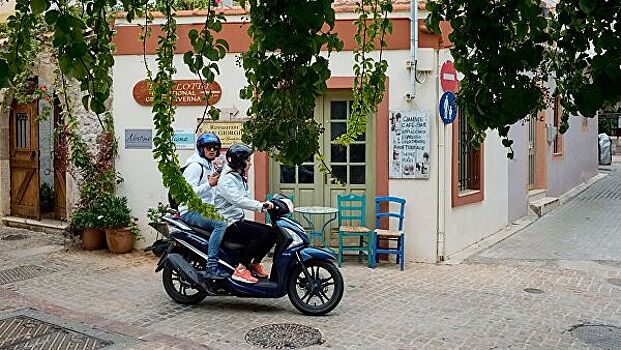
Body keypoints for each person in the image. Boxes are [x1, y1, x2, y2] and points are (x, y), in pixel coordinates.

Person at [214, 143, 275, 284]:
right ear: (239, 161)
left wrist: (267, 204)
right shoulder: (227, 179)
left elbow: (246, 199)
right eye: (248, 160)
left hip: (236, 220)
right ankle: (241, 269)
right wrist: (261, 206)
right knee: (262, 234)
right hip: (228, 223)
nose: (250, 163)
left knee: (272, 233)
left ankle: (254, 264)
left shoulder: (237, 176)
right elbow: (238, 200)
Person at [179, 132, 229, 279]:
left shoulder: (208, 166)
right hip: (190, 211)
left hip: (203, 209)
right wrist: (209, 184)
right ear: (201, 149)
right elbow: (187, 194)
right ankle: (211, 267)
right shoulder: (195, 167)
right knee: (221, 223)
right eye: (208, 147)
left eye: (215, 147)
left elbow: (210, 195)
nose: (212, 150)